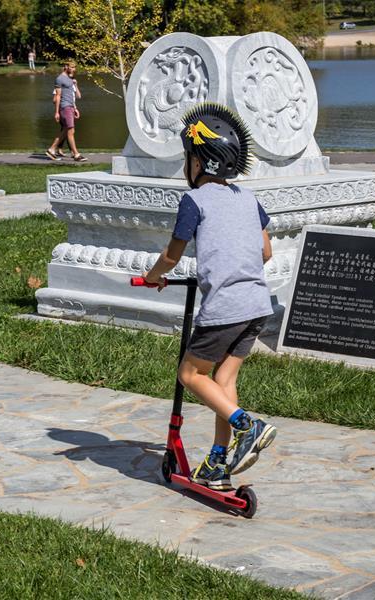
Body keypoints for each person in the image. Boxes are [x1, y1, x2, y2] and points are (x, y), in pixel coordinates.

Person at [142, 103, 278, 491]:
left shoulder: (194, 201)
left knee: (189, 374)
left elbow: (172, 255)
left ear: (200, 162)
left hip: (225, 308)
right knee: (223, 379)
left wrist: (153, 278)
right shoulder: (248, 198)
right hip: (256, 305)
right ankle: (217, 462)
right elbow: (266, 252)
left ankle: (248, 426)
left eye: (188, 157)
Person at [45, 60, 86, 162]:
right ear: (66, 66)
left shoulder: (69, 79)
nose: (74, 69)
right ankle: (76, 154)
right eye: (72, 67)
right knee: (70, 130)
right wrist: (57, 112)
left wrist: (75, 108)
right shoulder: (59, 79)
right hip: (65, 107)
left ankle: (52, 149)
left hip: (70, 107)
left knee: (67, 130)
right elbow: (57, 96)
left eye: (74, 67)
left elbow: (73, 95)